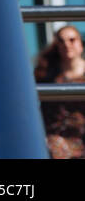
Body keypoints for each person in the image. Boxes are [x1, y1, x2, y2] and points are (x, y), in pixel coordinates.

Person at [34, 24, 85, 158]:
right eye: (61, 41)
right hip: (55, 139)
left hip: (81, 135)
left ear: (81, 44)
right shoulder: (45, 74)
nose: (67, 45)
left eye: (72, 40)